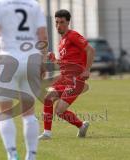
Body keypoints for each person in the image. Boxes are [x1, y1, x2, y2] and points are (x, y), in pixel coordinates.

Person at [0, 0, 48, 160]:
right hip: (31, 60)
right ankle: (31, 155)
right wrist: (43, 61)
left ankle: (12, 154)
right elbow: (43, 35)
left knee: (5, 113)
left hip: (8, 59)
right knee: (29, 113)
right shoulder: (34, 4)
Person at [38, 9, 95, 140]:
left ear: (68, 22)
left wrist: (87, 69)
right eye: (56, 22)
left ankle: (81, 125)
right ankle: (47, 133)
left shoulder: (73, 35)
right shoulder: (62, 42)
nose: (58, 25)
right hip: (64, 78)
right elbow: (66, 65)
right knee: (48, 99)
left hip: (75, 80)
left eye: (62, 22)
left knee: (59, 111)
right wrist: (55, 60)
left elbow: (90, 50)